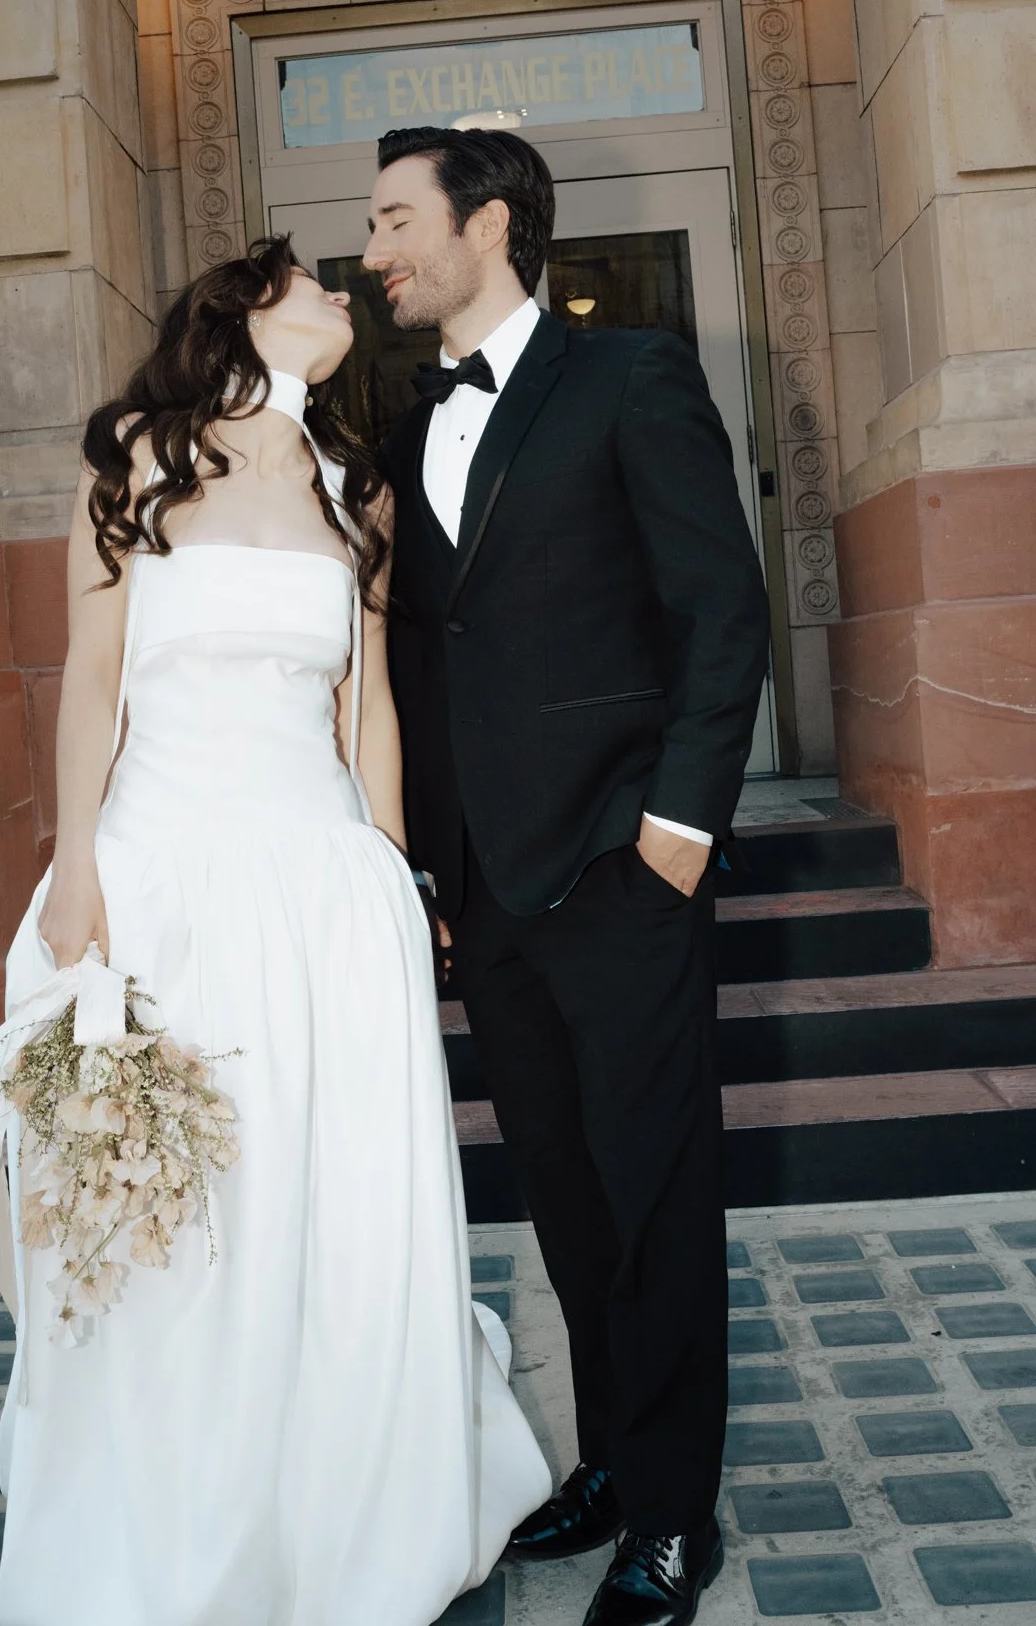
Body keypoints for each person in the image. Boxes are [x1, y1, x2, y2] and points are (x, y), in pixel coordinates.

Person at [0, 237, 551, 1626]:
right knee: (184, 1218)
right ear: (242, 307)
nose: (344, 298)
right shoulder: (136, 451)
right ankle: (181, 1509)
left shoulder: (352, 486)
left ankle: (340, 1504)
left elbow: (367, 706)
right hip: (161, 875)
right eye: (313, 283)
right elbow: (91, 675)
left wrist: (396, 871)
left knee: (329, 1196)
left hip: (319, 882)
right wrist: (74, 872)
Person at [367, 127, 770, 1626]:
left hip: (619, 866)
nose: (375, 250)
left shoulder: (633, 377)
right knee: (568, 1199)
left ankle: (672, 1519)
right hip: (489, 890)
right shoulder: (410, 427)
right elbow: (427, 650)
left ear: (487, 223)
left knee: (657, 1196)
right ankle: (612, 1459)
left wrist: (677, 833)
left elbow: (721, 613)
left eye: (396, 219)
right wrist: (430, 870)